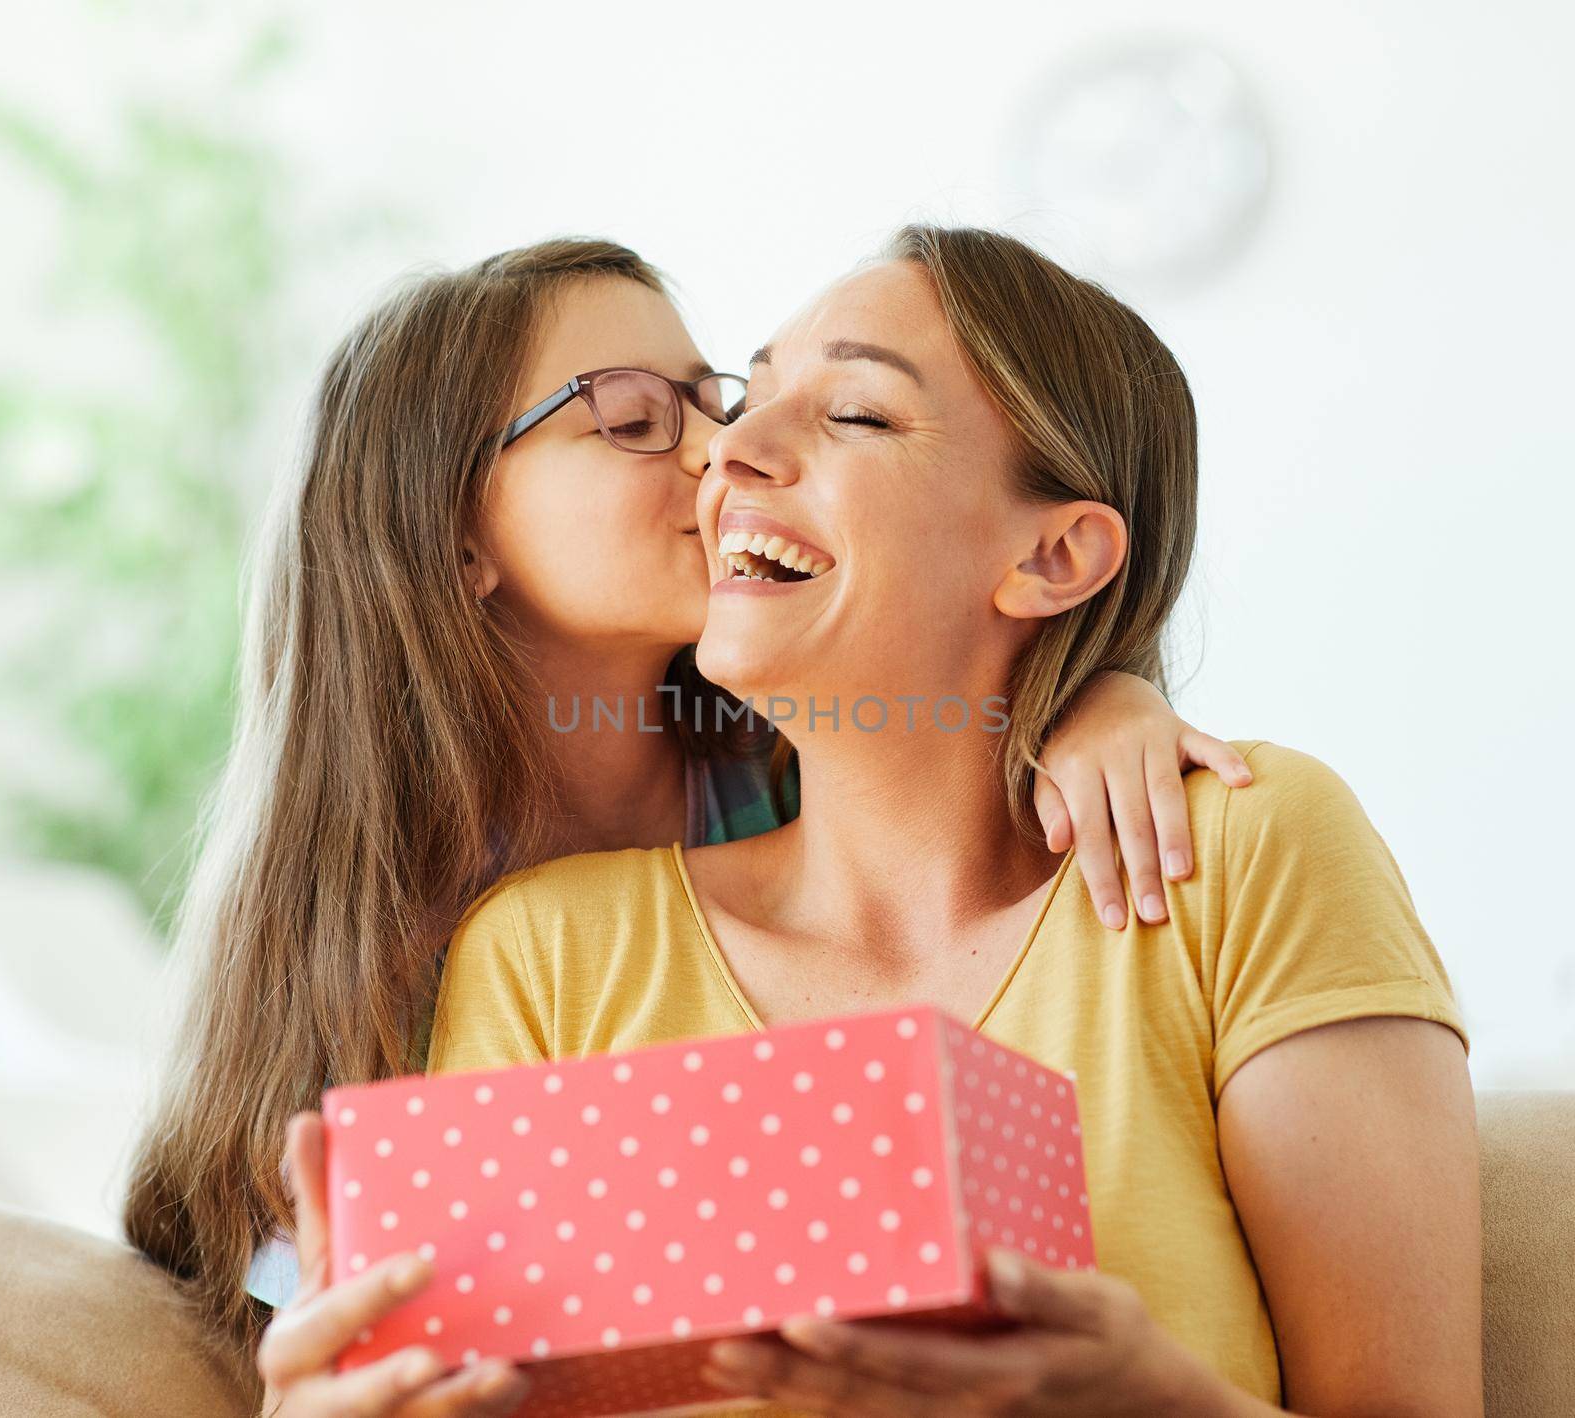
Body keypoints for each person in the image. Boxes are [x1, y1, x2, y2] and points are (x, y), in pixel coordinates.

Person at [120, 237, 1247, 1417]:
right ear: (454, 537)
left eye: (717, 399)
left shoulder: (797, 783)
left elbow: (966, 707)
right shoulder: (388, 978)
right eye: (630, 419)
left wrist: (1091, 694)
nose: (727, 453)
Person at [428, 227, 1480, 1416]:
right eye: (754, 394)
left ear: (1054, 553)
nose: (728, 453)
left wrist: (1155, 1401)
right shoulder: (543, 955)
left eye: (858, 416)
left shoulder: (1238, 850)